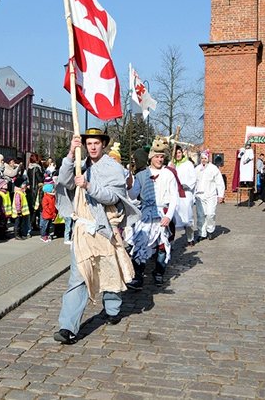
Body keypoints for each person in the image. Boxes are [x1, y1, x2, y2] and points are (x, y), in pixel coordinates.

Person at [53, 128, 139, 344]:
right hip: (82, 229)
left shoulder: (113, 168)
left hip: (104, 229)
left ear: (103, 145)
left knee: (108, 269)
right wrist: (71, 154)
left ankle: (112, 309)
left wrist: (89, 186)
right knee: (79, 276)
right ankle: (68, 328)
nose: (92, 147)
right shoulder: (79, 164)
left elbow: (112, 197)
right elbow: (65, 181)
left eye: (96, 143)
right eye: (88, 143)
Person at [126, 137, 178, 288]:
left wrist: (168, 216)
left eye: (162, 156)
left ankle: (159, 272)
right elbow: (133, 195)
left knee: (162, 244)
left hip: (162, 212)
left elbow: (174, 197)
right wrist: (129, 185)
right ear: (151, 158)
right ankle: (138, 276)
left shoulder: (169, 174)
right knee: (140, 243)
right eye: (157, 156)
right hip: (146, 213)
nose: (160, 159)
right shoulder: (142, 175)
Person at [194, 151, 226, 241]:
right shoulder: (197, 169)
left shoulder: (213, 169)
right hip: (199, 196)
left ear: (208, 159)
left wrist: (220, 195)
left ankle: (210, 230)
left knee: (210, 214)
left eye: (205, 158)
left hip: (211, 195)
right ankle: (201, 233)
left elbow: (219, 183)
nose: (203, 160)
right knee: (200, 215)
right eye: (202, 158)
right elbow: (193, 182)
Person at [170, 145, 197, 245]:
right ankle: (171, 241)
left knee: (187, 216)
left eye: (179, 153)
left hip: (185, 194)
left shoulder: (188, 164)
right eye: (176, 153)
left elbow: (193, 178)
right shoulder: (171, 164)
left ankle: (190, 237)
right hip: (174, 194)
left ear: (182, 153)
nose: (178, 155)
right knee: (173, 217)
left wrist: (188, 185)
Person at [237, 142, 255, 206]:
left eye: (248, 145)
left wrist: (246, 161)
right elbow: (239, 156)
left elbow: (251, 157)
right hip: (243, 165)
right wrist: (242, 152)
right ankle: (242, 183)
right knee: (243, 174)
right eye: (246, 145)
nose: (247, 146)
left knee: (248, 174)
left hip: (248, 164)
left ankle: (248, 183)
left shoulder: (251, 150)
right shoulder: (243, 150)